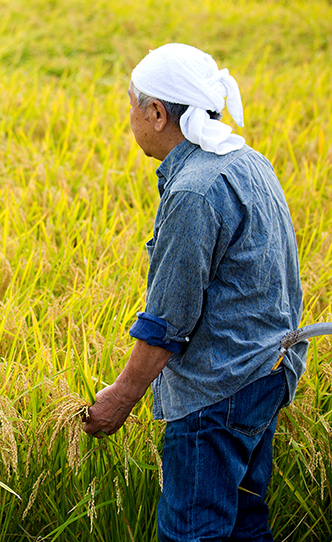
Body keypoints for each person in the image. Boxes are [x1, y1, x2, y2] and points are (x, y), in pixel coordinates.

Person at [83, 43, 308, 541]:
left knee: (194, 533)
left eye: (132, 106)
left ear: (157, 113)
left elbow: (168, 321)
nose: (130, 117)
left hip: (218, 393)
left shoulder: (194, 191)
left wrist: (121, 396)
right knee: (246, 526)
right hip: (263, 374)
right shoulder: (249, 161)